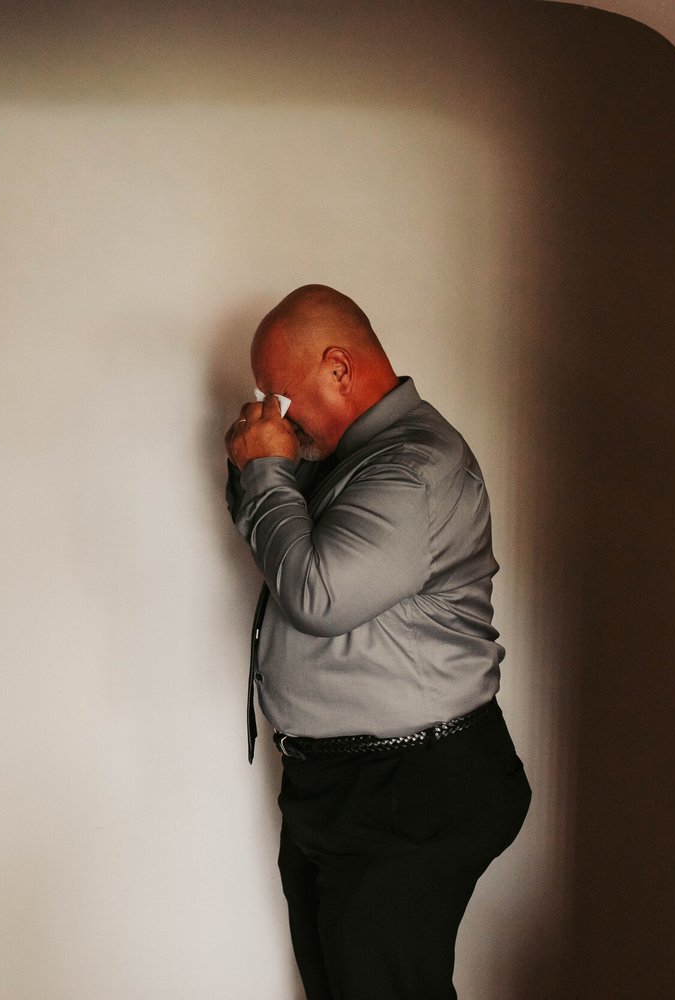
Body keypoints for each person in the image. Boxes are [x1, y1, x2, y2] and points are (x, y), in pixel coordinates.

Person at [224, 285, 531, 999]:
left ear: (338, 368)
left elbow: (317, 594)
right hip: (344, 785)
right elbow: (277, 543)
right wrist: (260, 470)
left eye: (280, 397)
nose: (275, 416)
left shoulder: (414, 467)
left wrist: (266, 470)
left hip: (411, 788)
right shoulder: (349, 457)